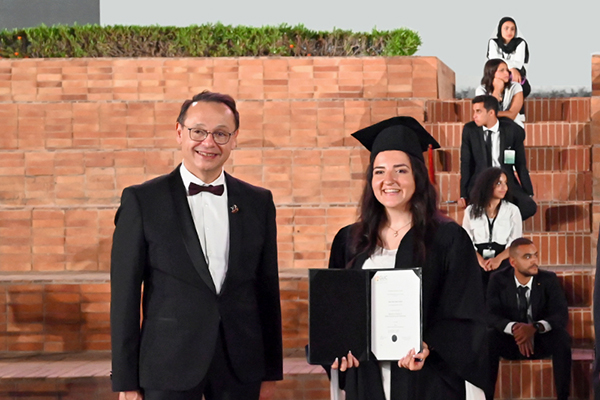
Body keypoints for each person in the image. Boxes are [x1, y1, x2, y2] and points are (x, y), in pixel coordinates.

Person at [110, 91, 283, 400]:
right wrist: (126, 382)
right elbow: (124, 297)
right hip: (167, 365)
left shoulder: (258, 202)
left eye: (221, 133)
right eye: (198, 131)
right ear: (179, 132)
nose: (209, 142)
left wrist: (270, 373)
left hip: (241, 366)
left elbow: (267, 292)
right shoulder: (143, 201)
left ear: (234, 139)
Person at [328, 116, 488, 399]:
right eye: (379, 171)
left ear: (418, 176)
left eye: (400, 170)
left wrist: (430, 344)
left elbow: (465, 312)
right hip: (366, 379)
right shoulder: (349, 240)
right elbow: (336, 310)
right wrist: (338, 348)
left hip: (426, 380)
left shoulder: (448, 238)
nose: (388, 180)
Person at [486, 238, 571, 400]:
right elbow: (490, 314)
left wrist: (534, 328)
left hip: (539, 339)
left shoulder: (548, 279)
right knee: (489, 338)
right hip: (510, 341)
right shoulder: (498, 280)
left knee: (562, 338)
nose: (534, 261)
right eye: (527, 257)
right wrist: (515, 329)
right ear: (513, 262)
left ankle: (563, 397)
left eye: (535, 255)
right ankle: (486, 396)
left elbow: (560, 314)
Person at [459, 95, 536, 221]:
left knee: (528, 207)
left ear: (491, 113)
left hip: (505, 181)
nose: (474, 116)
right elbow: (466, 163)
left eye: (478, 111)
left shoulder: (511, 130)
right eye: (474, 111)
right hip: (480, 182)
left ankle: (502, 223)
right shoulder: (470, 130)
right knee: (480, 209)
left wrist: (529, 192)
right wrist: (463, 194)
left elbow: (520, 164)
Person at [462, 167, 522, 290]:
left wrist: (498, 260)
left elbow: (515, 242)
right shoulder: (470, 211)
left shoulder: (513, 210)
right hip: (477, 258)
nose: (504, 188)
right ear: (487, 185)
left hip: (503, 258)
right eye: (499, 183)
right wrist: (480, 261)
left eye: (505, 183)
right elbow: (466, 241)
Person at [487, 17, 531, 98]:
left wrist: (511, 68)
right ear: (500, 29)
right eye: (506, 28)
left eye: (512, 29)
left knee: (520, 90)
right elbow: (494, 60)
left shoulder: (521, 43)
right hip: (499, 76)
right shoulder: (493, 42)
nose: (509, 32)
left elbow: (518, 63)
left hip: (515, 77)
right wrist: (512, 68)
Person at [475, 59, 525, 128]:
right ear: (492, 72)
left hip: (512, 125)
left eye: (507, 70)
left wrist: (490, 114)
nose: (506, 73)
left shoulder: (516, 87)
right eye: (502, 70)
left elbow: (512, 115)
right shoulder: (481, 90)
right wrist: (497, 90)